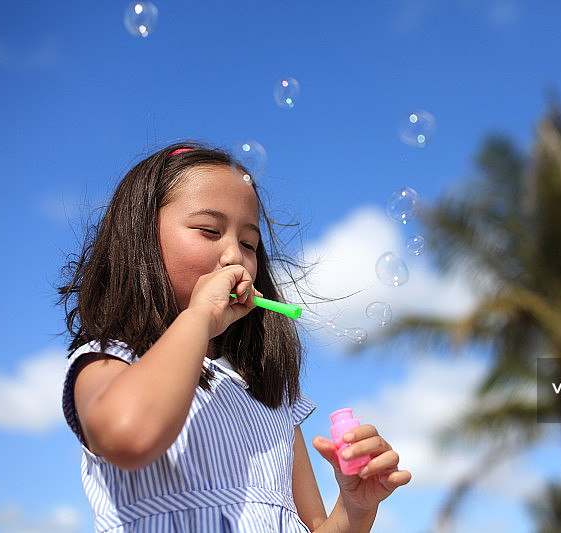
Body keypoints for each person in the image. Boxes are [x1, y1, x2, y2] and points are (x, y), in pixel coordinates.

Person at [58, 142, 411, 532]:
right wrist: (201, 317)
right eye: (209, 231)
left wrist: (354, 509)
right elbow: (131, 434)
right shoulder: (108, 363)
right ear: (139, 237)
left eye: (248, 243)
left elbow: (312, 526)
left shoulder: (269, 397)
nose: (234, 256)